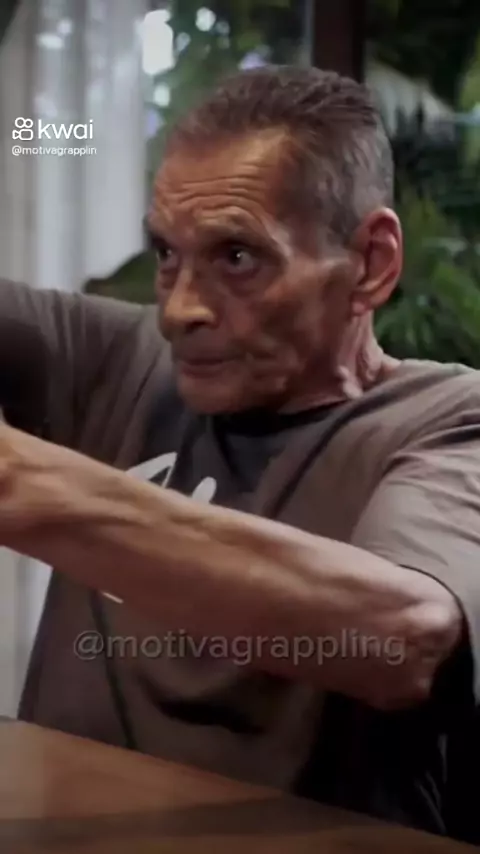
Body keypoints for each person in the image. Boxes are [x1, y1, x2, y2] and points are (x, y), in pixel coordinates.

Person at [0, 65, 479, 842]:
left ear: (371, 262)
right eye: (167, 254)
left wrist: (22, 483)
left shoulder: (450, 419)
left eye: (237, 258)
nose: (180, 309)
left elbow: (402, 636)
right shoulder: (117, 360)